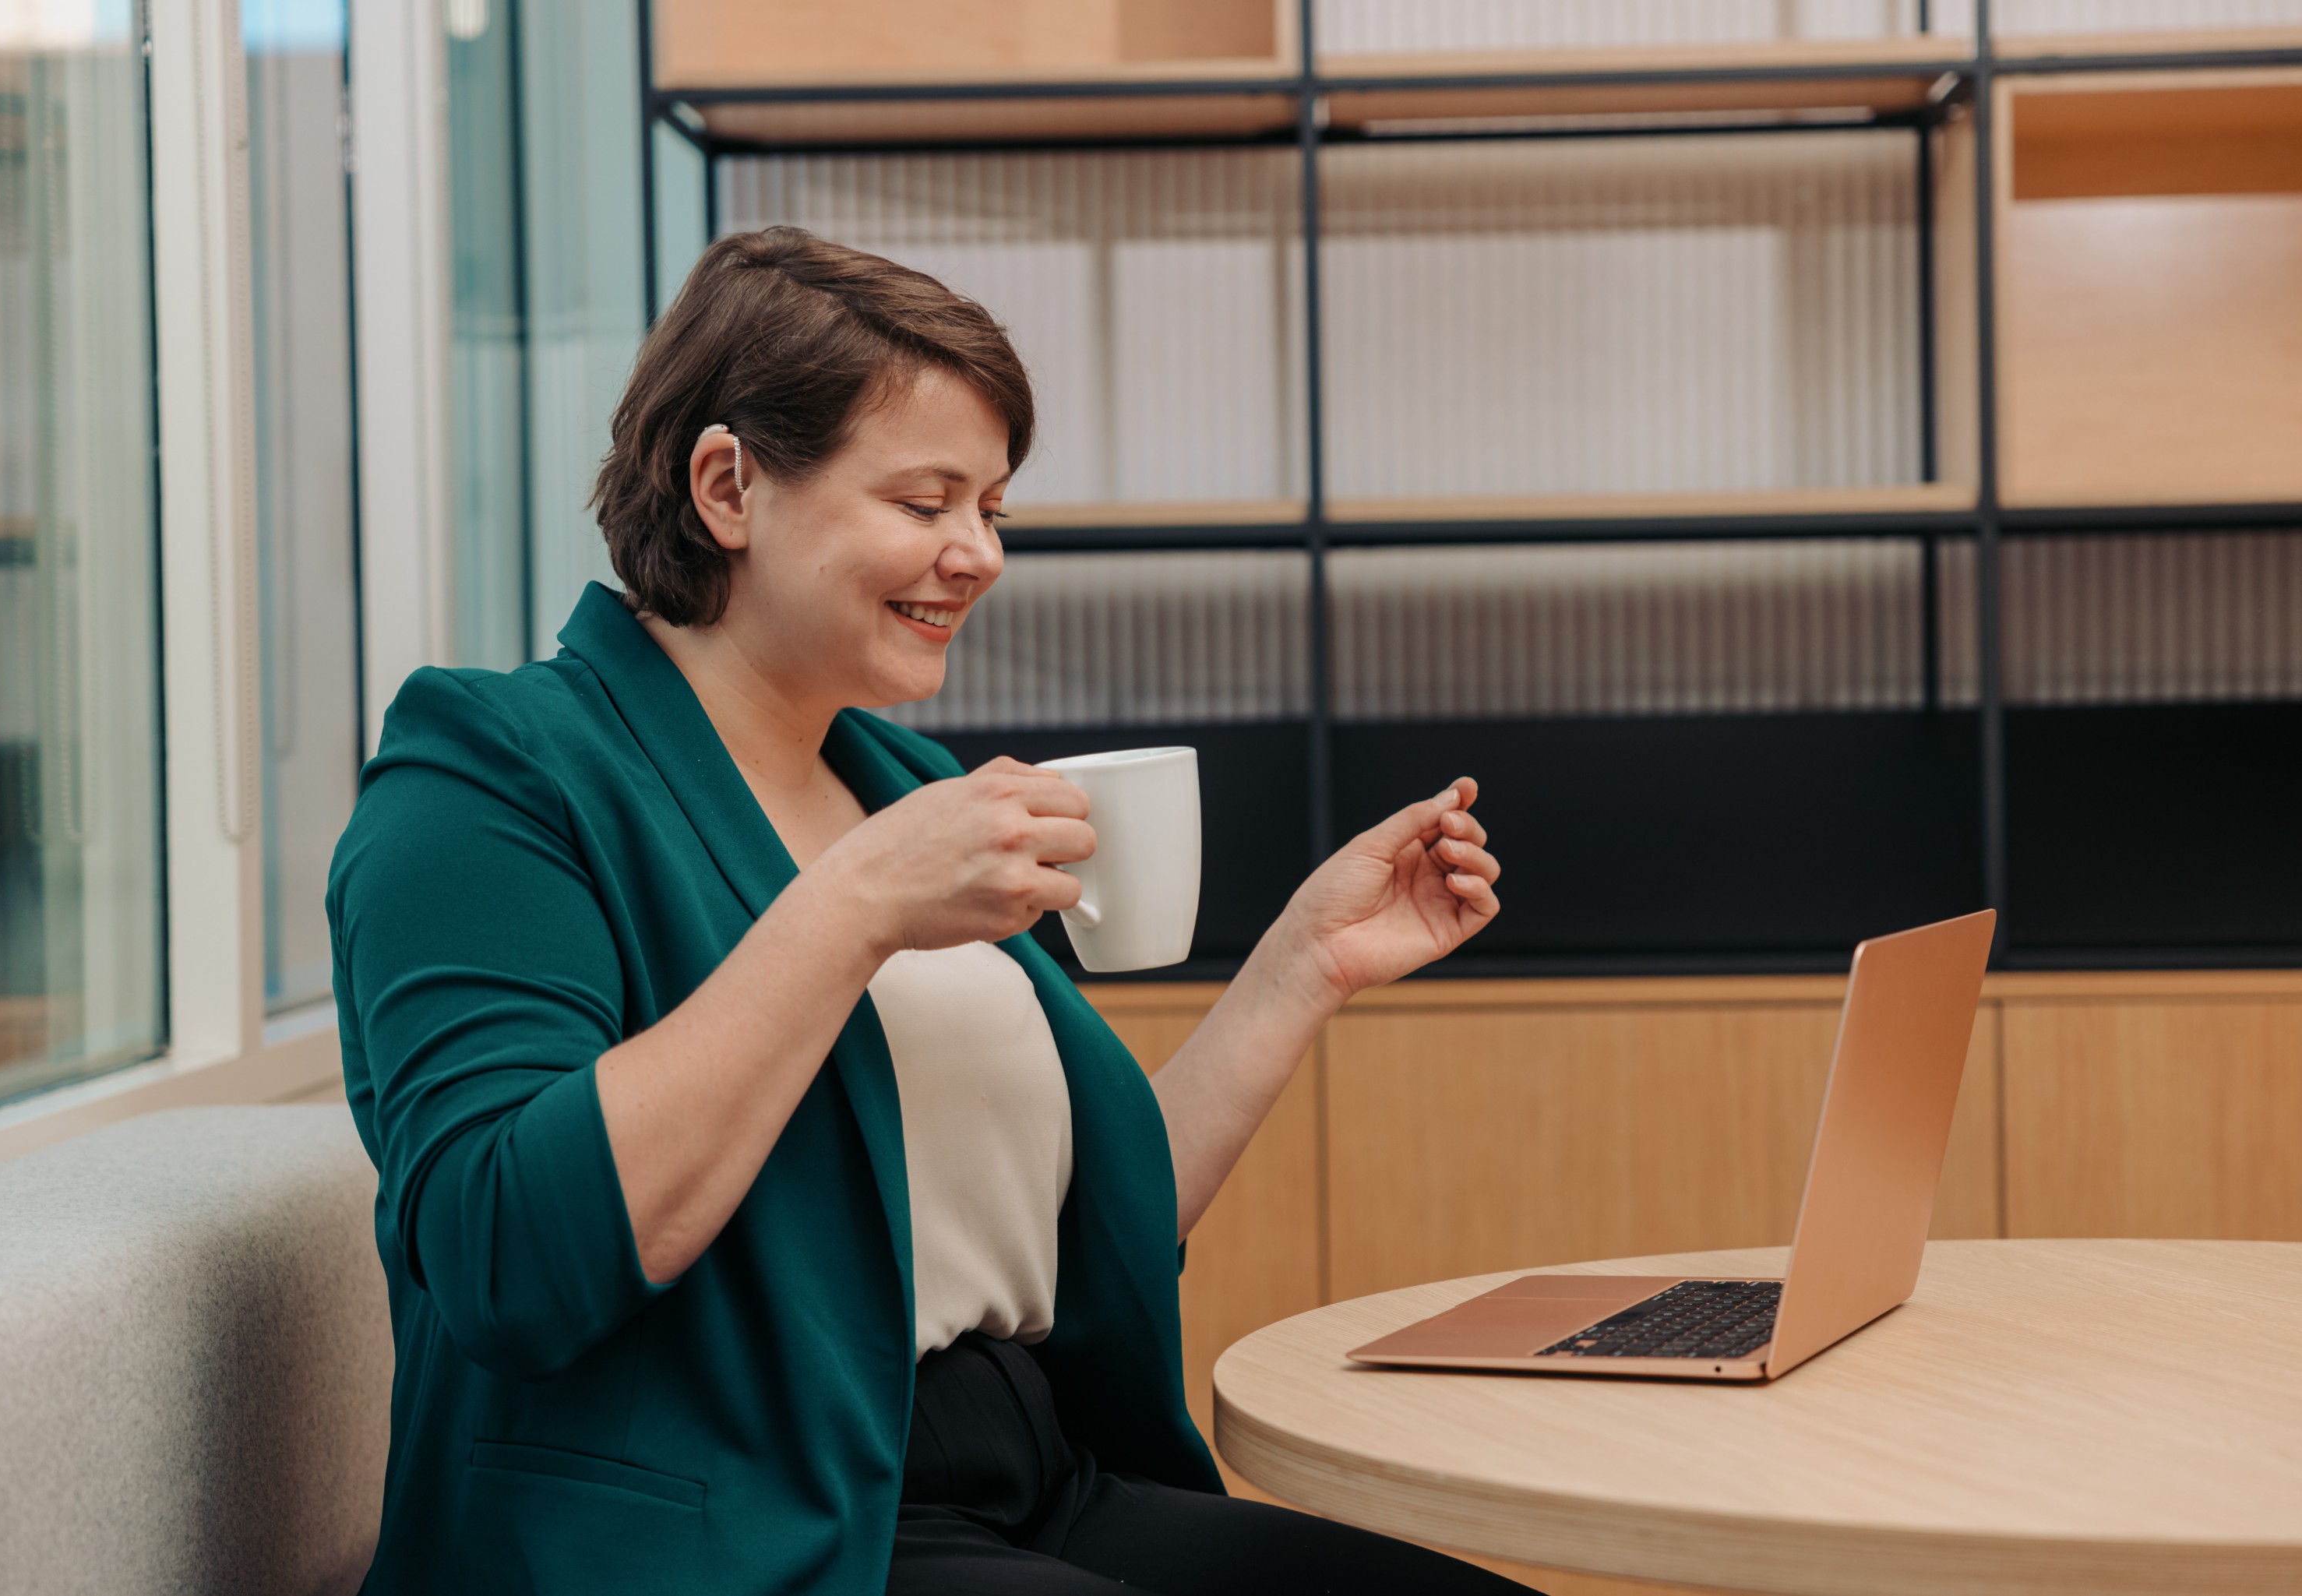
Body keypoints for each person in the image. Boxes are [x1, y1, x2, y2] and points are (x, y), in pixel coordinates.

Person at [330, 226, 1517, 1595]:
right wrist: (861, 905)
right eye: (925, 501)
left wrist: (1302, 966)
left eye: (993, 509)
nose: (979, 554)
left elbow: (1087, 1236)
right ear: (728, 485)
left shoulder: (891, 776)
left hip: (1027, 1478)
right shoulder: (491, 771)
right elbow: (505, 1253)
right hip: (734, 1525)